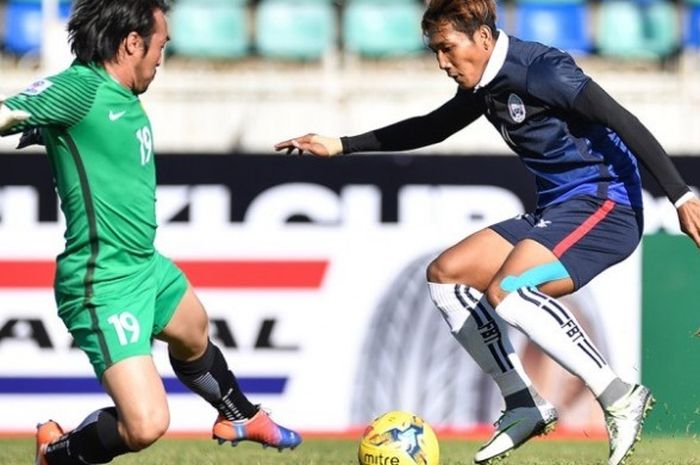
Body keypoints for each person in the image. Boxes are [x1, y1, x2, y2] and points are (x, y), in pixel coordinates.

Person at [274, 0, 700, 464]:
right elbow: (434, 127)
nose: (442, 62)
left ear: (481, 37)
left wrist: (680, 196)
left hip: (606, 207)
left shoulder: (542, 69)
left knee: (512, 291)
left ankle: (618, 395)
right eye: (435, 51)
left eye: (447, 48)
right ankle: (523, 402)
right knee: (447, 275)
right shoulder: (485, 84)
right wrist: (340, 145)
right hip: (558, 210)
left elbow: (623, 120)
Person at [0, 1, 301, 464]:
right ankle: (55, 455)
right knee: (145, 426)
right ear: (132, 43)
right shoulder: (80, 87)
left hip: (145, 266)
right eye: (161, 45)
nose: (163, 56)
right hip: (103, 281)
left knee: (194, 331)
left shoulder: (118, 96)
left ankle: (240, 414)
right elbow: (10, 111)